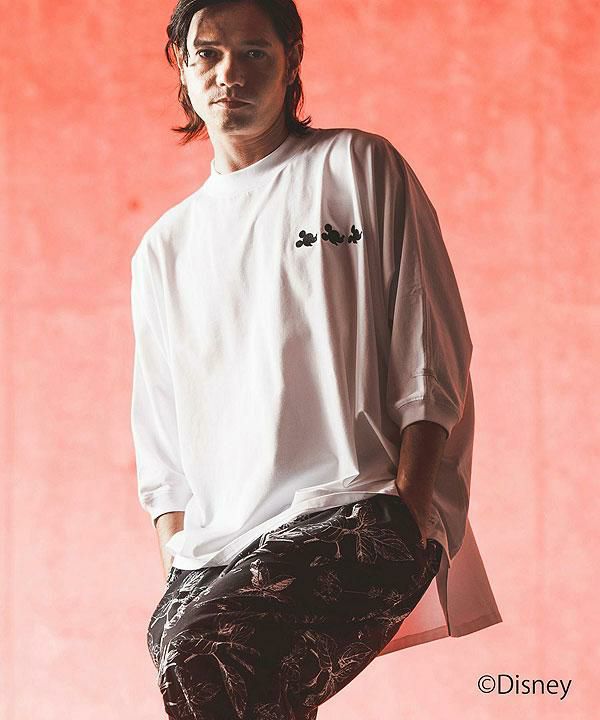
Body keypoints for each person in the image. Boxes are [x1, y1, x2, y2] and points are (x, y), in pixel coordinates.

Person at [129, 1, 502, 718]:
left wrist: (409, 507)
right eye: (208, 53)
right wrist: (178, 555)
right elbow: (160, 426)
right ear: (182, 65)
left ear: (291, 59)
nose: (230, 73)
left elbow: (428, 341)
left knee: (209, 655)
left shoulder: (355, 166)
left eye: (255, 53)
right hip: (218, 550)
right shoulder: (164, 249)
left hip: (357, 506)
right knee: (208, 668)